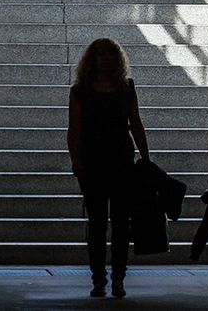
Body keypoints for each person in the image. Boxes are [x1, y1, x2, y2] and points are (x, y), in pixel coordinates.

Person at [67, 38, 150, 299]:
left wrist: (145, 157)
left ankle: (115, 277)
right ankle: (101, 278)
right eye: (99, 55)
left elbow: (135, 123)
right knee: (99, 223)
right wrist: (75, 159)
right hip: (93, 163)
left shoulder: (126, 88)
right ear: (93, 60)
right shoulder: (80, 90)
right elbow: (74, 129)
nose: (104, 59)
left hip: (120, 161)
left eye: (108, 55)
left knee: (118, 223)